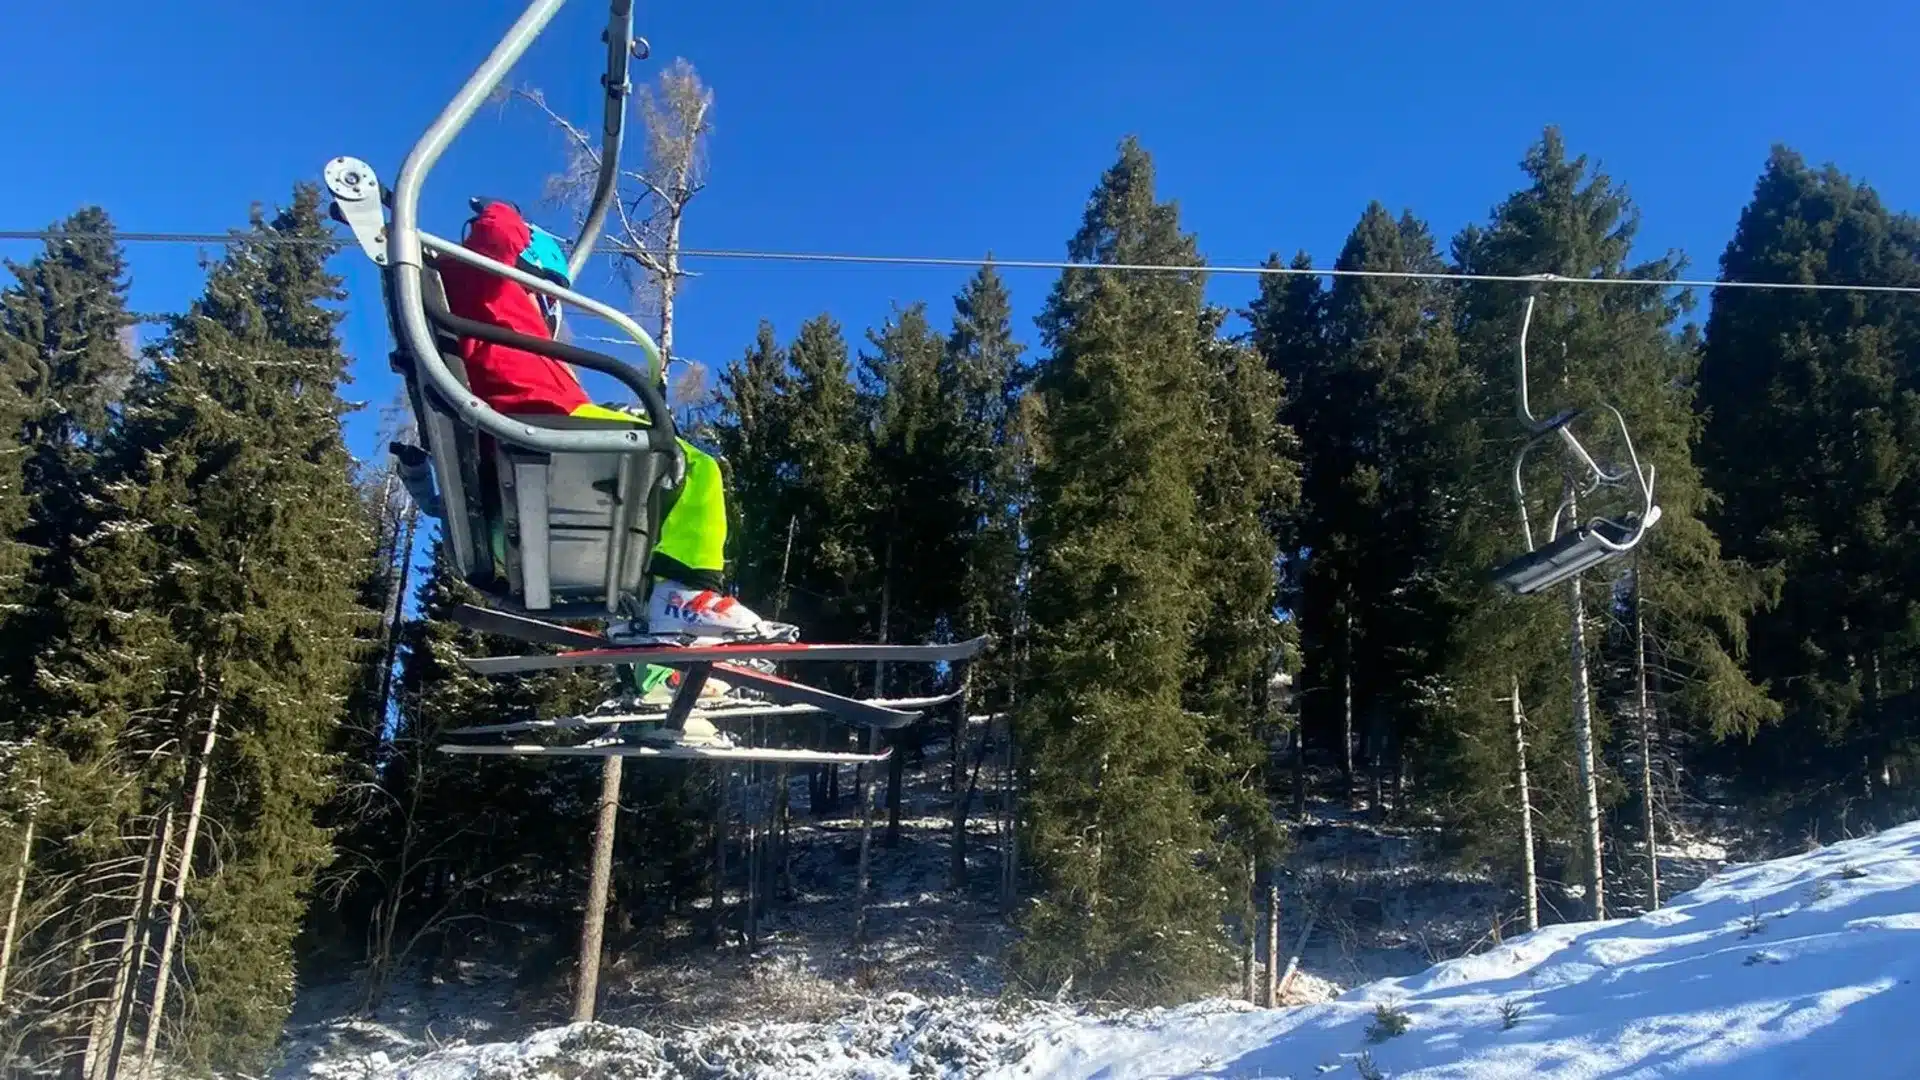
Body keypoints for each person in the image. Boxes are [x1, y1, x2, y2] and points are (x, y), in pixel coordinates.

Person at [437, 200, 785, 739]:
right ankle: (687, 594)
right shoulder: (485, 291)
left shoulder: (508, 330)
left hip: (524, 446)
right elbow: (493, 237)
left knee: (644, 545)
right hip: (542, 427)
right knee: (692, 466)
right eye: (544, 290)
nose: (548, 304)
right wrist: (505, 217)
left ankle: (659, 672)